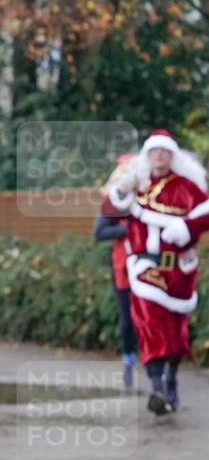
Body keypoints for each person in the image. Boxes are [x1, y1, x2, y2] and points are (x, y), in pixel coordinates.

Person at [101, 130, 209, 414]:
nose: (160, 155)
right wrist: (122, 190)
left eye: (165, 151)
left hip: (179, 270)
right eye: (154, 151)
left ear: (172, 155)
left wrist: (187, 227)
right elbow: (108, 212)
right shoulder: (138, 185)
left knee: (175, 331)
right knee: (149, 324)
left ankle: (171, 377)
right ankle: (157, 387)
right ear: (147, 155)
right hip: (144, 266)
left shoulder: (187, 187)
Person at [94, 154, 137, 386]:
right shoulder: (114, 203)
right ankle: (128, 360)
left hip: (153, 266)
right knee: (128, 319)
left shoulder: (150, 199)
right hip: (123, 268)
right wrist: (129, 230)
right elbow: (99, 233)